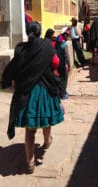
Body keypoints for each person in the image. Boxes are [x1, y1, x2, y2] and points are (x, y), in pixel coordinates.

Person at [2, 22, 64, 174]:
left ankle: (29, 162)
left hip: (26, 92)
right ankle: (47, 142)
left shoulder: (21, 48)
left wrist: (7, 81)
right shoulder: (47, 46)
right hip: (43, 90)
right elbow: (56, 63)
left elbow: (13, 67)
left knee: (30, 130)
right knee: (46, 120)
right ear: (40, 32)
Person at [55, 27, 71, 99]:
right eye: (67, 35)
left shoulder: (56, 42)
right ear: (64, 35)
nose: (68, 36)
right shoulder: (64, 44)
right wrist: (69, 64)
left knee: (59, 78)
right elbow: (67, 56)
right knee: (64, 79)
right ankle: (63, 93)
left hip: (57, 64)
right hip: (62, 64)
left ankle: (60, 92)